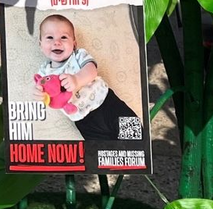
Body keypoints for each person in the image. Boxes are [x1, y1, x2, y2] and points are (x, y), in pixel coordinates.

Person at [34, 14, 140, 145]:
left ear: (74, 44)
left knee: (134, 133)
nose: (57, 42)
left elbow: (91, 70)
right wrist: (40, 94)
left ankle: (141, 156)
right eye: (50, 37)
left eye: (64, 37)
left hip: (106, 103)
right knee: (102, 151)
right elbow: (42, 91)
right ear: (41, 45)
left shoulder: (78, 55)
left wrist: (77, 80)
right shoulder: (44, 73)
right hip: (84, 120)